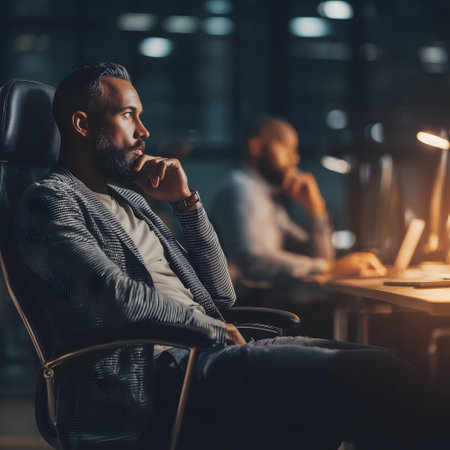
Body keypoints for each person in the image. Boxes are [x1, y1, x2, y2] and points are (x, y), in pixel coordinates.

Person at [15, 63, 420, 449]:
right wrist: (211, 331)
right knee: (378, 379)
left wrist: (185, 204)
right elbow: (116, 298)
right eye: (128, 115)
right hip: (153, 378)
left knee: (391, 365)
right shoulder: (49, 202)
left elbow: (221, 295)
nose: (144, 131)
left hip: (205, 355)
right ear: (83, 124)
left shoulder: (130, 200)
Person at [212, 117, 385, 301]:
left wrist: (316, 209)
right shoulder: (239, 190)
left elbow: (319, 256)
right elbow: (251, 262)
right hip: (241, 311)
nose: (294, 158)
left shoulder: (269, 198)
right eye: (286, 147)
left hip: (265, 303)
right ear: (255, 146)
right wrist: (328, 268)